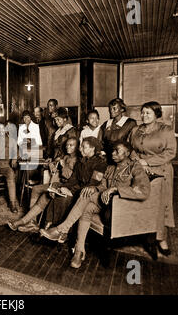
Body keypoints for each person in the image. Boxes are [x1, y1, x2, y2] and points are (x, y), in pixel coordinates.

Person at [40, 141, 150, 268]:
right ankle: (79, 251)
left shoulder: (135, 167)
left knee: (87, 196)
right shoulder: (111, 167)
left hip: (121, 207)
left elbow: (143, 191)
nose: (113, 153)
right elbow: (103, 185)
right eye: (113, 150)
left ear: (127, 153)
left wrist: (115, 189)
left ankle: (61, 230)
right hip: (105, 203)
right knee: (87, 203)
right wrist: (94, 188)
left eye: (117, 151)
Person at [129, 101, 177, 256]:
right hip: (141, 170)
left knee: (160, 207)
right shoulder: (136, 129)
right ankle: (144, 237)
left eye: (148, 113)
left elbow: (171, 153)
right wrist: (138, 162)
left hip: (161, 171)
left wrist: (148, 161)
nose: (144, 115)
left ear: (157, 114)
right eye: (142, 112)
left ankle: (161, 239)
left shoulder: (166, 130)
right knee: (143, 203)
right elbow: (132, 150)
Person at [7, 137, 80, 233]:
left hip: (65, 186)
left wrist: (63, 166)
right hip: (58, 183)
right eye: (67, 145)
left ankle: (25, 222)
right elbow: (55, 168)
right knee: (36, 189)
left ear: (77, 146)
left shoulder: (77, 160)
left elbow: (70, 177)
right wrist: (52, 165)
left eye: (71, 145)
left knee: (44, 197)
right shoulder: (66, 157)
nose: (67, 147)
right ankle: (32, 222)